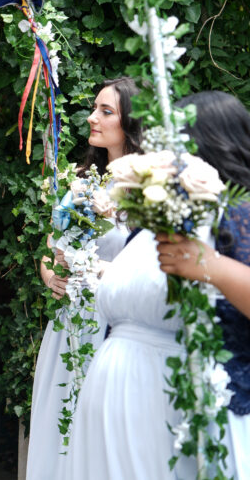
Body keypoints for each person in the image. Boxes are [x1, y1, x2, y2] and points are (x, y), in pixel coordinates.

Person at [66, 90, 250, 480]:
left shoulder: (237, 215)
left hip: (172, 414)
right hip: (110, 413)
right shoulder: (153, 224)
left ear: (208, 144)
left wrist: (211, 266)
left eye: (175, 143)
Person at [26, 77, 141, 479]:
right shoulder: (80, 179)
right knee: (60, 423)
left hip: (114, 324)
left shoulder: (148, 189)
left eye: (105, 111)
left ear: (132, 122)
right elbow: (50, 248)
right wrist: (50, 275)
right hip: (68, 324)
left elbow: (156, 260)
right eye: (94, 108)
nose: (92, 117)